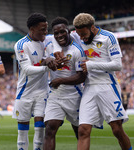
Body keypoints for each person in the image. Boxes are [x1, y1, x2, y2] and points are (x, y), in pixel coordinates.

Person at [72, 13, 132, 150]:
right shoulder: (77, 36)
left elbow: (117, 65)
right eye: (79, 34)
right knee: (83, 130)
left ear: (92, 27)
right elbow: (60, 34)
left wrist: (91, 65)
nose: (81, 38)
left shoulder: (108, 37)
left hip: (107, 86)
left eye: (83, 34)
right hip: (89, 87)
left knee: (117, 129)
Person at [12, 13, 56, 150]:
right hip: (25, 92)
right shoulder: (21, 44)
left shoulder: (47, 41)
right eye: (42, 29)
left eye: (46, 28)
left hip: (42, 91)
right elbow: (27, 69)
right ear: (32, 29)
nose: (45, 32)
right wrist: (46, 66)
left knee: (40, 126)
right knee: (22, 130)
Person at [43, 17, 87, 150]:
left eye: (62, 32)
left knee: (79, 132)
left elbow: (81, 77)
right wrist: (48, 60)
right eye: (56, 33)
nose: (59, 35)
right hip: (56, 95)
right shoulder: (50, 45)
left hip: (74, 95)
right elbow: (42, 59)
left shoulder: (77, 50)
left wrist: (60, 80)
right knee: (50, 128)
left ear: (68, 31)